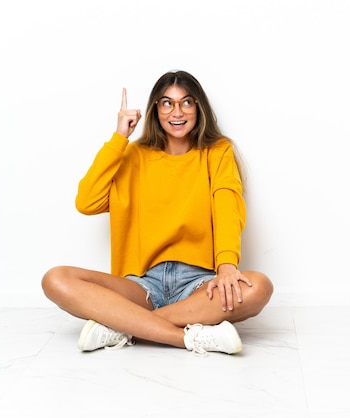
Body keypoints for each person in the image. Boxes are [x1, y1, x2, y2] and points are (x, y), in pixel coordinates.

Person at [42, 70, 273, 355]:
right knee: (56, 279)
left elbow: (228, 205)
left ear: (199, 108)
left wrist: (227, 265)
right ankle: (189, 337)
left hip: (198, 285)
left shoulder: (217, 152)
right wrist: (119, 137)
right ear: (155, 110)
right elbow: (87, 202)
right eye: (167, 103)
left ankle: (124, 326)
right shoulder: (134, 155)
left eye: (187, 102)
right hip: (142, 284)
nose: (177, 112)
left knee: (259, 287)